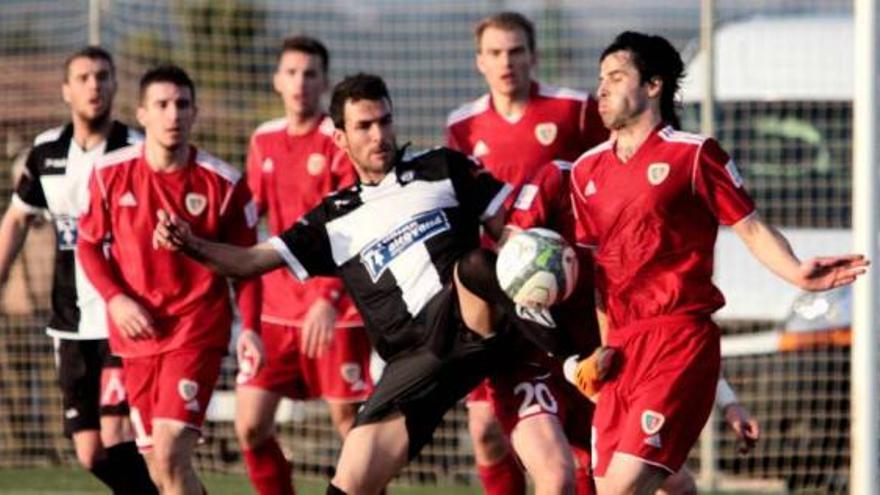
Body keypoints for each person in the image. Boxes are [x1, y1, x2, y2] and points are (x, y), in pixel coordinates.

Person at [152, 73, 595, 495]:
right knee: (352, 480)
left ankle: (573, 356)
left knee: (555, 473)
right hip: (415, 360)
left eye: (384, 121)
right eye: (363, 126)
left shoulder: (442, 167)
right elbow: (248, 261)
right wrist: (190, 244)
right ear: (340, 137)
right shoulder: (332, 219)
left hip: (477, 327)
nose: (378, 134)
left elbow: (510, 237)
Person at [567, 31, 867, 494]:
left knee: (622, 488)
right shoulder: (586, 171)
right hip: (624, 348)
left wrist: (796, 273)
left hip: (678, 337)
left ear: (653, 86)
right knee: (632, 487)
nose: (601, 89)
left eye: (616, 76)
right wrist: (605, 351)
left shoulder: (693, 155)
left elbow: (751, 228)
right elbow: (603, 279)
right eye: (600, 78)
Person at [76, 64, 264, 495]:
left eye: (182, 104)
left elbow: (249, 265)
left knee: (170, 451)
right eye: (161, 105)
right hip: (137, 337)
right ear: (141, 114)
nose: (173, 114)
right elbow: (88, 245)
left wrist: (251, 328)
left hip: (196, 329)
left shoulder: (223, 184)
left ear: (195, 112)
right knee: (160, 470)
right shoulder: (109, 174)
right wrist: (116, 300)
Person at [445, 11, 607, 494]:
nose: (506, 62)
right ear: (480, 62)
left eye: (516, 51)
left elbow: (603, 178)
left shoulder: (573, 110)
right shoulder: (463, 125)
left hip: (565, 290)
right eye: (495, 53)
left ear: (533, 56)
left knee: (583, 438)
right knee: (486, 430)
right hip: (497, 296)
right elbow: (463, 211)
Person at [0, 46, 156, 494]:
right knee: (91, 453)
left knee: (118, 434)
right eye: (84, 77)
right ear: (66, 90)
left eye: (103, 76)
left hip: (123, 320)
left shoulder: (137, 150)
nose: (95, 85)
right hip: (69, 323)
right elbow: (17, 217)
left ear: (115, 85)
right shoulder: (46, 152)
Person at [237, 36, 373, 495]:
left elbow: (351, 225)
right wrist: (248, 316)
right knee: (250, 425)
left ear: (324, 82)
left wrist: (327, 300)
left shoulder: (336, 142)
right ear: (277, 81)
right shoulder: (264, 139)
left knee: (350, 424)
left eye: (310, 73)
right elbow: (248, 221)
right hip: (277, 309)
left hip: (336, 308)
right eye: (291, 72)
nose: (300, 82)